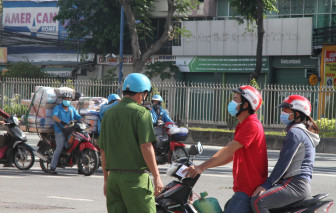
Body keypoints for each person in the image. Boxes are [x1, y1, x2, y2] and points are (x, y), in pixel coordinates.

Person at [183, 85, 268, 213]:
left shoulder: (252, 125)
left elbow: (228, 150)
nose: (231, 102)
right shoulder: (243, 125)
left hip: (248, 190)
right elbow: (230, 156)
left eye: (235, 99)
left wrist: (201, 167)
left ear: (245, 105)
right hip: (242, 189)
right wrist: (204, 167)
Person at [98, 73, 163, 213]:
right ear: (141, 94)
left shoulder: (109, 113)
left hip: (113, 180)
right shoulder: (141, 113)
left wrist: (106, 180)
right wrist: (157, 176)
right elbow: (146, 146)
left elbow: (102, 150)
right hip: (135, 180)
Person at [251, 95, 320, 213]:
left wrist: (267, 184)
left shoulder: (295, 132)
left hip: (295, 184)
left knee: (258, 201)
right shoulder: (303, 131)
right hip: (299, 184)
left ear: (298, 113)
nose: (282, 113)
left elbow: (284, 162)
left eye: (286, 110)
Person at [50, 92, 86, 175]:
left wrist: (86, 122)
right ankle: (52, 167)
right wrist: (61, 122)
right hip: (60, 131)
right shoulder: (58, 108)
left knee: (77, 146)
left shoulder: (71, 108)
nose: (67, 101)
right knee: (60, 147)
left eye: (68, 99)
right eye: (65, 99)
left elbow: (78, 117)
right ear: (62, 100)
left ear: (71, 100)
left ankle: (80, 167)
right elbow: (54, 116)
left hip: (70, 130)